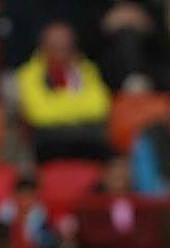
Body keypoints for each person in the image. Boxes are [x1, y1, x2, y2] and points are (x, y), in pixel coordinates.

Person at [16, 21, 112, 163]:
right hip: (49, 143)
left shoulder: (87, 70)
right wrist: (78, 106)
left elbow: (100, 107)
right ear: (43, 48)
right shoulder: (29, 74)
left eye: (66, 47)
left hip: (87, 141)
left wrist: (57, 104)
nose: (61, 52)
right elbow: (40, 114)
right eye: (55, 47)